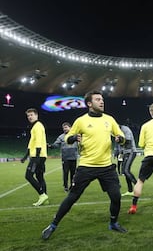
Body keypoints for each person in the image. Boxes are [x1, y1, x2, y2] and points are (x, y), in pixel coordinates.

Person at [41, 90, 127, 240]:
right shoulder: (81, 121)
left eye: (102, 99)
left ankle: (113, 223)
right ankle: (53, 225)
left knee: (116, 196)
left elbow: (122, 136)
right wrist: (73, 137)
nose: (102, 102)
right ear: (89, 104)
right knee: (72, 197)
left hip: (106, 166)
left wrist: (120, 139)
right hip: (86, 166)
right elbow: (67, 137)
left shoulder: (110, 119)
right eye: (98, 100)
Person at [21, 108, 48, 206]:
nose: (29, 117)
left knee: (28, 176)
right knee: (40, 177)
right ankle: (45, 198)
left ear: (36, 115)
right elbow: (31, 143)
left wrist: (36, 155)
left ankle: (42, 195)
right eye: (28, 116)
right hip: (40, 155)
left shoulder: (38, 126)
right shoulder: (35, 127)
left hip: (38, 156)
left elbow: (38, 141)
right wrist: (25, 156)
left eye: (31, 115)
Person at [49, 122, 78, 192]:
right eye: (63, 128)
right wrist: (51, 146)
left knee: (73, 173)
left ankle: (72, 186)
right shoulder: (61, 137)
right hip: (65, 158)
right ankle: (65, 186)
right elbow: (56, 144)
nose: (64, 129)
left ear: (70, 128)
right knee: (65, 173)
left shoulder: (75, 136)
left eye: (66, 127)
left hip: (73, 157)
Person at [119, 124, 138, 196]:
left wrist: (120, 140)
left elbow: (128, 143)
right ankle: (130, 190)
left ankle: (137, 186)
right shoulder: (117, 132)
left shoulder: (125, 129)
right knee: (124, 171)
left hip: (131, 152)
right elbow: (121, 145)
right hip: (125, 153)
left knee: (127, 171)